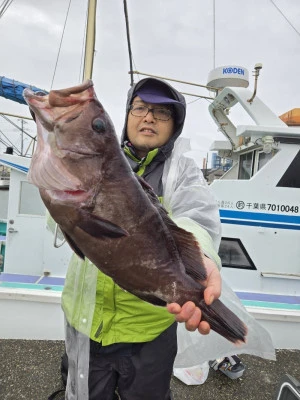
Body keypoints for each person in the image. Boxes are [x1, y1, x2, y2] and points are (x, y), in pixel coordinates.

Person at [61, 77, 223, 400]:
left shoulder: (180, 172)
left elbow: (195, 218)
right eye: (140, 108)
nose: (148, 117)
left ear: (174, 127)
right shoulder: (96, 155)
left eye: (161, 113)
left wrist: (199, 257)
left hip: (149, 332)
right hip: (84, 319)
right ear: (127, 116)